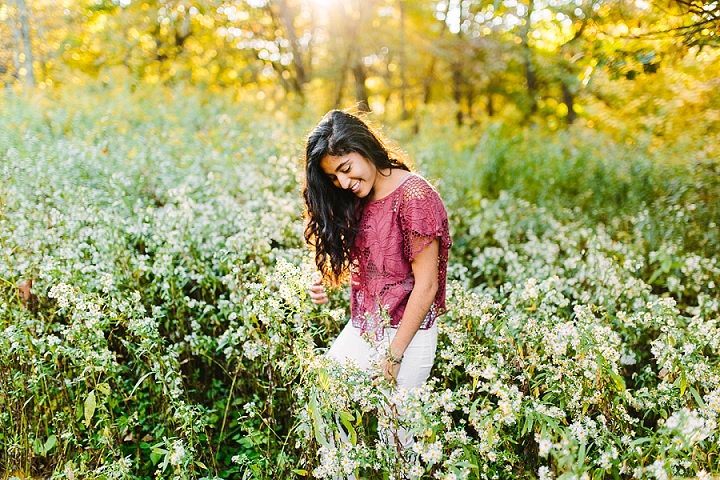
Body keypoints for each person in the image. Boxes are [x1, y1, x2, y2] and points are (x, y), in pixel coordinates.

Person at [303, 109, 451, 391]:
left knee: (396, 432)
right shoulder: (355, 196)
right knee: (327, 402)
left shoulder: (414, 196)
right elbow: (371, 260)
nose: (343, 183)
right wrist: (322, 277)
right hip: (364, 326)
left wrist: (395, 355)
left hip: (409, 334)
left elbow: (427, 285)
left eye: (345, 169)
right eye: (333, 177)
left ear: (364, 147)